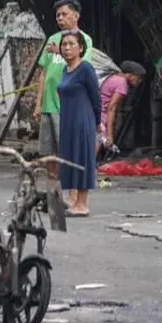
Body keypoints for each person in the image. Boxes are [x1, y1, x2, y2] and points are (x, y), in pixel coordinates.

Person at [34, 0, 93, 196]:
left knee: (68, 152)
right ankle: (54, 197)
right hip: (48, 104)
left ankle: (73, 197)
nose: (60, 18)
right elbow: (43, 73)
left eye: (64, 14)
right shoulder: (52, 38)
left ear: (76, 16)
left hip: (67, 105)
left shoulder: (84, 40)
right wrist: (38, 103)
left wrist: (60, 49)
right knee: (49, 154)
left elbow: (82, 64)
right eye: (57, 15)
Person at [55, 30, 100, 217]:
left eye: (71, 44)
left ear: (80, 48)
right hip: (68, 120)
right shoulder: (65, 70)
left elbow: (96, 98)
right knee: (71, 158)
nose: (67, 48)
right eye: (64, 45)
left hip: (83, 120)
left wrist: (97, 122)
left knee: (82, 158)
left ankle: (83, 204)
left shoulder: (86, 68)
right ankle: (74, 201)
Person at [99, 60, 145, 152]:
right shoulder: (122, 83)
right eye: (138, 77)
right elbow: (111, 108)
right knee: (97, 143)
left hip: (93, 112)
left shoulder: (113, 77)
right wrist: (110, 135)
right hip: (101, 115)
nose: (139, 81)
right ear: (129, 75)